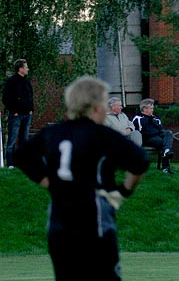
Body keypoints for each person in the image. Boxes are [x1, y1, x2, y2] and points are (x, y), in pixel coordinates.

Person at [14, 76, 149, 281]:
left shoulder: (52, 133)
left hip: (59, 224)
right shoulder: (102, 135)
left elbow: (22, 156)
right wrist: (124, 191)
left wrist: (48, 182)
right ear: (95, 107)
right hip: (94, 219)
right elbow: (141, 160)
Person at [2, 59, 34, 169]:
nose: (27, 69)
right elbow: (5, 98)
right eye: (26, 67)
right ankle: (10, 164)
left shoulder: (27, 82)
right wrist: (14, 111)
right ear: (20, 69)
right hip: (16, 116)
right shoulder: (11, 81)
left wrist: (31, 109)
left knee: (24, 140)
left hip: (27, 115)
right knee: (12, 139)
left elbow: (31, 96)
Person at [132, 98, 175, 174]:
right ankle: (166, 168)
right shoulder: (138, 119)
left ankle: (166, 151)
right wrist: (156, 132)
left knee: (168, 133)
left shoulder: (155, 118)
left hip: (157, 137)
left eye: (152, 108)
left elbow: (161, 129)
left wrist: (153, 121)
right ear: (144, 109)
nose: (152, 110)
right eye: (151, 108)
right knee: (162, 142)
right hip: (146, 139)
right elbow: (141, 133)